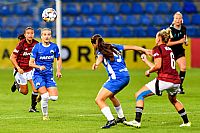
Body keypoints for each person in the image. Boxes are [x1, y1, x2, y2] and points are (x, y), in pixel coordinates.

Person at [124, 29, 191, 128]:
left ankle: (137, 121)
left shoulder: (158, 48)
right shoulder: (168, 49)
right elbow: (159, 68)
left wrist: (148, 71)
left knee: (139, 95)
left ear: (159, 38)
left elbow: (157, 66)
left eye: (156, 37)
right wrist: (145, 60)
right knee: (173, 100)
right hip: (176, 81)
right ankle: (186, 122)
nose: (155, 39)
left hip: (165, 80)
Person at [91, 34, 151, 129]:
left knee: (99, 99)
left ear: (94, 44)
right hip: (126, 76)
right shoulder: (114, 46)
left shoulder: (100, 51)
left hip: (117, 78)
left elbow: (100, 58)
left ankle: (111, 120)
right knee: (111, 95)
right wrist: (144, 50)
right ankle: (121, 117)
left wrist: (96, 64)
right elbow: (133, 47)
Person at [29, 28, 62, 120]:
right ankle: (45, 115)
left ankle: (40, 95)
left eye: (48, 34)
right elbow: (30, 63)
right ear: (41, 36)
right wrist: (39, 67)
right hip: (38, 75)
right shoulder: (37, 47)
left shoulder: (54, 47)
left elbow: (58, 58)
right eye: (45, 35)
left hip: (49, 76)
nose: (47, 36)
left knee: (54, 98)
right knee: (45, 96)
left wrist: (58, 71)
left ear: (51, 36)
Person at [10, 27, 40, 112]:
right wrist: (18, 68)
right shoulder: (21, 44)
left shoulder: (36, 44)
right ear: (25, 35)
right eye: (28, 33)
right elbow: (12, 57)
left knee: (35, 89)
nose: (30, 35)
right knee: (24, 92)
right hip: (20, 71)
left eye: (32, 33)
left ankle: (33, 107)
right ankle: (17, 85)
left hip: (30, 69)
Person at [167, 12, 188, 94]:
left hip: (179, 51)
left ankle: (179, 87)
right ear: (173, 19)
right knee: (168, 72)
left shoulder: (183, 28)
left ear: (181, 19)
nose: (178, 20)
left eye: (179, 18)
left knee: (183, 68)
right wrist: (180, 41)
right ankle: (162, 86)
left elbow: (185, 37)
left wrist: (186, 41)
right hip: (170, 52)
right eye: (176, 18)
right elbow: (167, 43)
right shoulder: (170, 30)